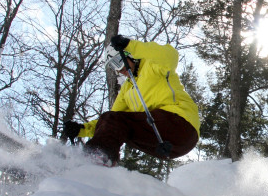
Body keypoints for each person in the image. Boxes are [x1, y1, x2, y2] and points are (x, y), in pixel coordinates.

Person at [62, 35, 200, 166]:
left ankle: (97, 156)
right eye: (113, 67)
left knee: (116, 120)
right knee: (113, 121)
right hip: (164, 144)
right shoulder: (127, 90)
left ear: (130, 55)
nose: (119, 70)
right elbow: (109, 122)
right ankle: (100, 166)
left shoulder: (153, 65)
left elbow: (171, 56)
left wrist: (130, 45)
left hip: (181, 125)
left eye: (118, 62)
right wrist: (81, 129)